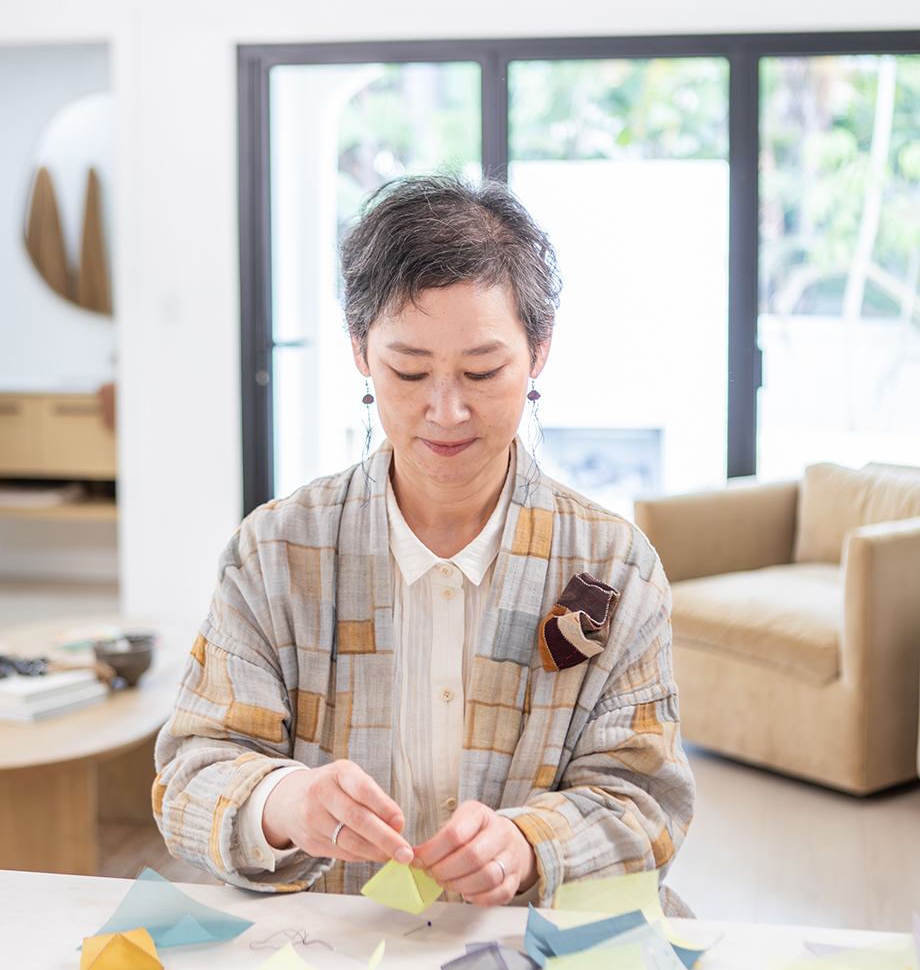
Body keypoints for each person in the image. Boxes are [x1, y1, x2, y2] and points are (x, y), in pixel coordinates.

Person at [153, 175, 694, 909]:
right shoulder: (276, 554)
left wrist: (532, 848)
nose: (446, 410)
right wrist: (285, 802)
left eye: (482, 370)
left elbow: (648, 801)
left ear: (539, 350)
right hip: (334, 958)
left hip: (531, 960)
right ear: (359, 351)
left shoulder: (613, 568)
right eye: (408, 370)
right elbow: (189, 773)